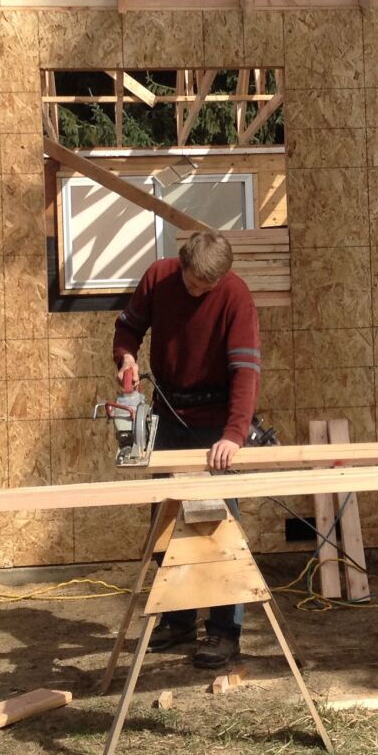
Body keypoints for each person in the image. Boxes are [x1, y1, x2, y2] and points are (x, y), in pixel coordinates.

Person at [112, 229, 262, 669]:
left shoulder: (235, 296)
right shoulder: (159, 277)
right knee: (166, 521)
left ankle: (224, 631)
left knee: (218, 528)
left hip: (215, 422)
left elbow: (246, 370)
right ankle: (177, 620)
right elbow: (128, 328)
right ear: (181, 264)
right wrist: (126, 358)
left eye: (203, 287)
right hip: (167, 413)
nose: (194, 291)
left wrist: (233, 435)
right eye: (190, 281)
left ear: (219, 279)